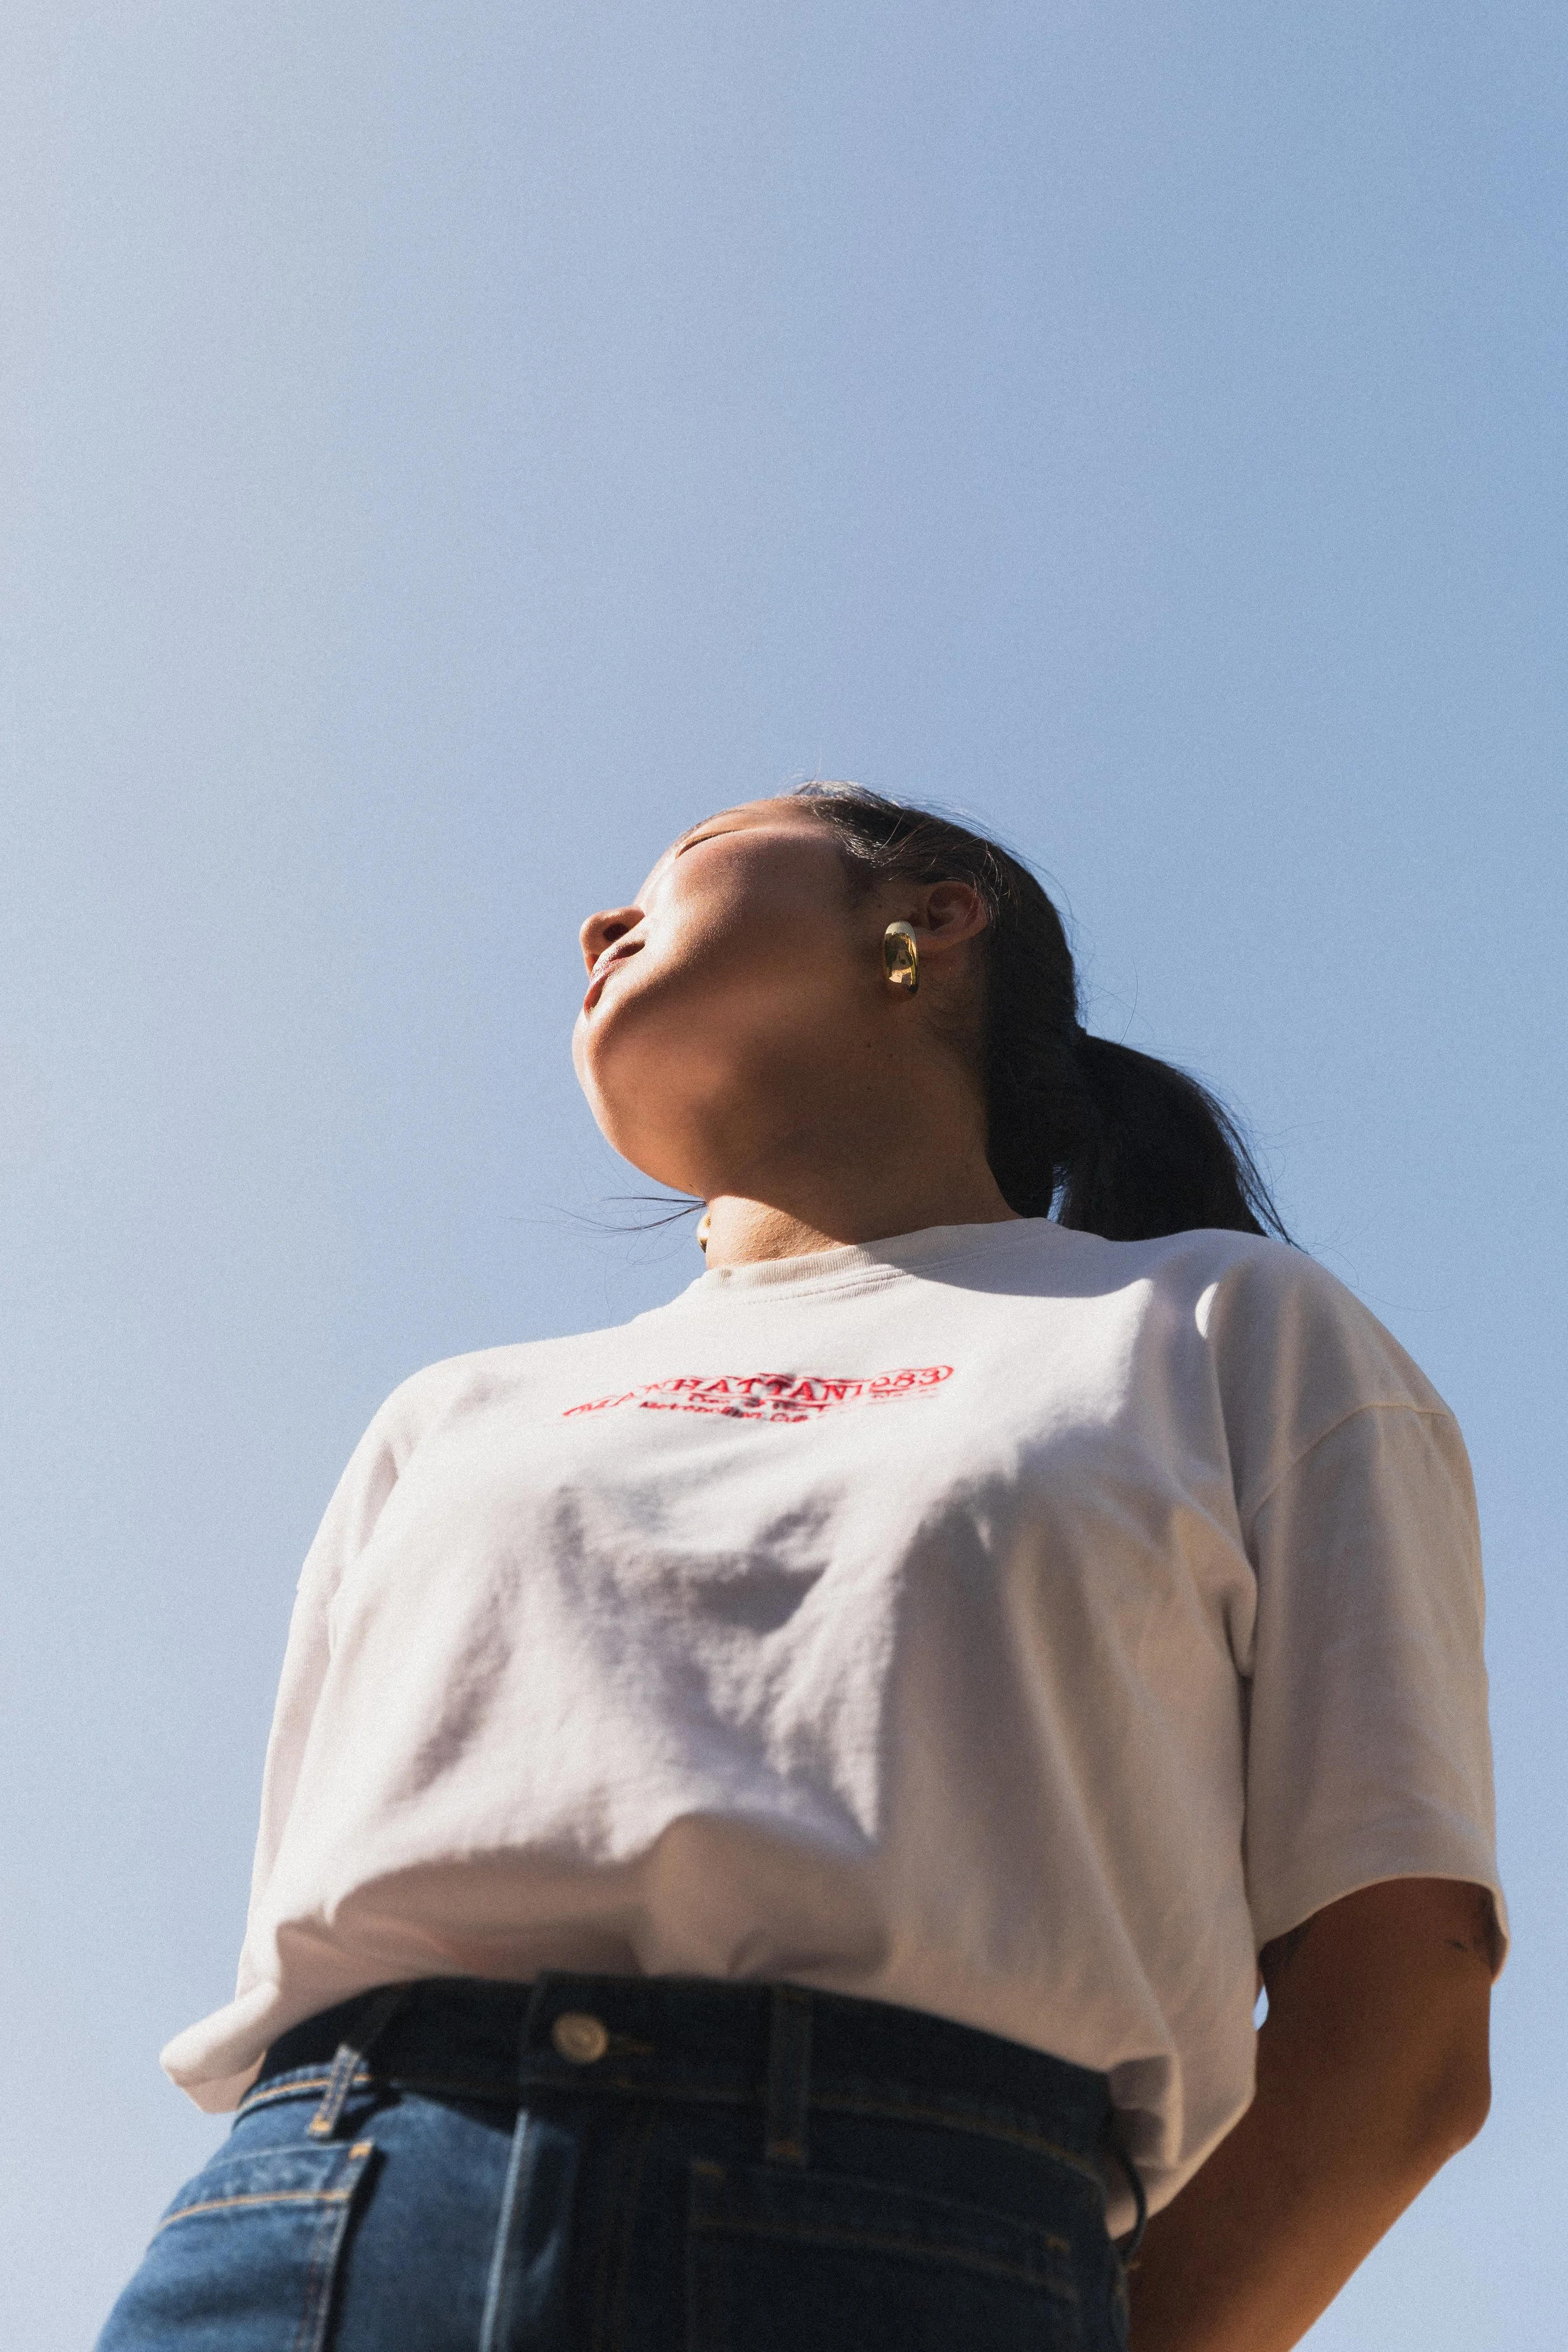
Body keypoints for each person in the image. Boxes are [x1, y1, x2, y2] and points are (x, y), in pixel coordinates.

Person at [98, 786, 1505, 2352]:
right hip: (318, 2217)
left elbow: (1400, 2030)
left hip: (918, 2245)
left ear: (934, 918)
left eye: (685, 859)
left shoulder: (1228, 1326)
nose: (594, 926)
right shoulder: (452, 1413)